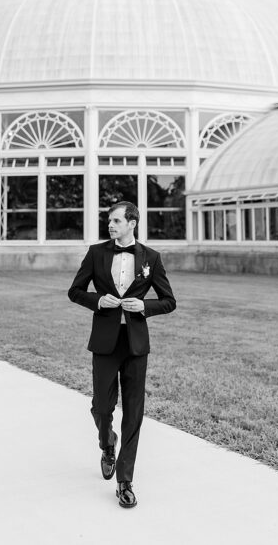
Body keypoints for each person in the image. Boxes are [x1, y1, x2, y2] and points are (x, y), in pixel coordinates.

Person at [67, 202, 176, 509]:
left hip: (136, 344)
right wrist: (98, 300)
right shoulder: (96, 253)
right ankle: (107, 442)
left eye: (116, 220)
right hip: (104, 341)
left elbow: (169, 301)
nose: (110, 225)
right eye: (109, 221)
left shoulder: (151, 258)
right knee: (101, 407)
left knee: (134, 412)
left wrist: (146, 306)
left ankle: (125, 481)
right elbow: (75, 291)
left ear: (132, 223)